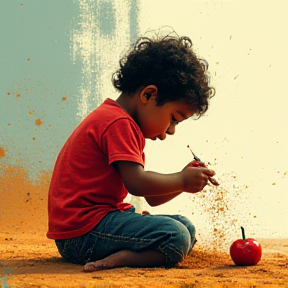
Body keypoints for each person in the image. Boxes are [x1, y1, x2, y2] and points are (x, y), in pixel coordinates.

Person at [47, 29, 216, 272]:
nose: (171, 131)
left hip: (89, 228)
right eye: (173, 119)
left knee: (185, 227)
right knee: (176, 236)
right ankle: (123, 258)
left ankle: (130, 252)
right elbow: (138, 184)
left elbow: (151, 198)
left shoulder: (120, 121)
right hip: (83, 234)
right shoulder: (119, 123)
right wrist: (181, 179)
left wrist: (183, 182)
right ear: (148, 94)